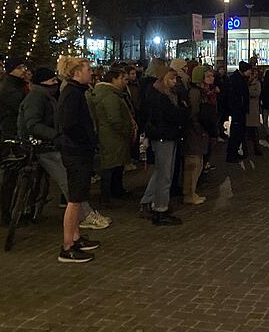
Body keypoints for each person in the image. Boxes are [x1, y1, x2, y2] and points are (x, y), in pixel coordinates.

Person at [19, 67, 108, 231]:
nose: (55, 84)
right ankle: (84, 216)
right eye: (52, 81)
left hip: (49, 143)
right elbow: (33, 124)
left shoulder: (46, 96)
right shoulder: (37, 97)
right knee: (69, 181)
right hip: (44, 146)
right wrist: (56, 136)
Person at [54, 56, 101, 262]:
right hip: (76, 152)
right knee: (74, 200)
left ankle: (75, 236)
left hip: (78, 150)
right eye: (88, 69)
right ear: (76, 73)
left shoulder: (76, 92)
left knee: (79, 196)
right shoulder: (72, 94)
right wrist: (87, 141)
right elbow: (70, 125)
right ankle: (68, 245)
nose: (91, 73)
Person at [140, 68, 187, 225]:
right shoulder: (158, 96)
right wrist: (181, 111)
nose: (175, 82)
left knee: (162, 172)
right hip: (163, 136)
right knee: (164, 174)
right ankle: (160, 208)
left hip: (167, 135)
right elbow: (171, 115)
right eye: (172, 79)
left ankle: (149, 201)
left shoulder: (165, 94)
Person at [88, 68, 134, 206]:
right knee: (110, 167)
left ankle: (116, 191)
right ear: (113, 79)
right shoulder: (110, 96)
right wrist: (126, 130)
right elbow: (114, 119)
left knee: (115, 165)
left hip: (112, 136)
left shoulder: (110, 94)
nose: (124, 82)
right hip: (112, 137)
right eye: (122, 79)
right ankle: (107, 196)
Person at [0, 57, 28, 225]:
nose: (23, 70)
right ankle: (7, 215)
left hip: (14, 134)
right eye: (20, 67)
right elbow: (22, 107)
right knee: (10, 178)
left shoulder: (16, 85)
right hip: (10, 136)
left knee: (14, 177)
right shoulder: (9, 88)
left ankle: (15, 211)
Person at [184, 76, 209, 205]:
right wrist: (198, 127)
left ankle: (191, 192)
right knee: (193, 163)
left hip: (200, 129)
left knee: (197, 162)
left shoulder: (202, 91)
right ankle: (189, 193)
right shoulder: (195, 92)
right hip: (195, 130)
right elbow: (194, 112)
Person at [226, 61, 252, 161]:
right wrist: (239, 106)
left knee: (238, 132)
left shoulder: (239, 78)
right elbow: (236, 96)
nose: (250, 72)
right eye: (249, 70)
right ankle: (232, 154)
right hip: (238, 110)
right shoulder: (236, 80)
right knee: (236, 132)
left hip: (240, 109)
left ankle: (234, 152)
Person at [245, 68, 264, 156]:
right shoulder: (245, 83)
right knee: (247, 130)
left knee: (255, 130)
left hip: (253, 108)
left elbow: (256, 93)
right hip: (247, 109)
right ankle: (246, 149)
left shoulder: (257, 83)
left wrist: (248, 92)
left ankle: (256, 147)